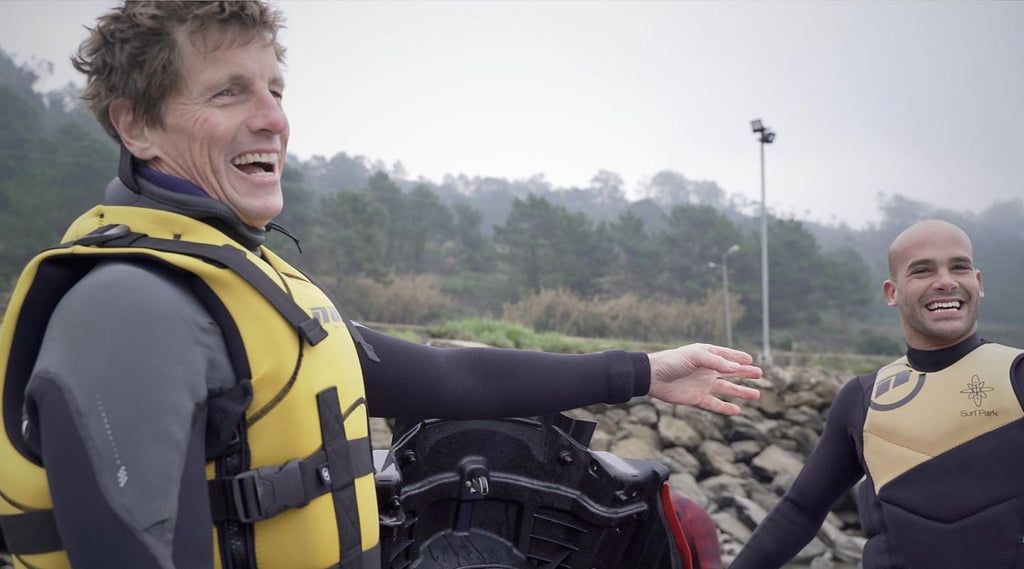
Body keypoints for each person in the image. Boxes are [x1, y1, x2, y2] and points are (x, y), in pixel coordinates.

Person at [0, 3, 764, 569]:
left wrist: (645, 370)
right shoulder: (128, 305)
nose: (273, 119)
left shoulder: (243, 286)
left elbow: (446, 374)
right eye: (230, 92)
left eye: (275, 88)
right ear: (135, 126)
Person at [730, 219, 1024, 569]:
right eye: (922, 271)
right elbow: (800, 511)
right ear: (892, 292)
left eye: (959, 267)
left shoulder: (1016, 375)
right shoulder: (863, 398)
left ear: (978, 283)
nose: (945, 282)